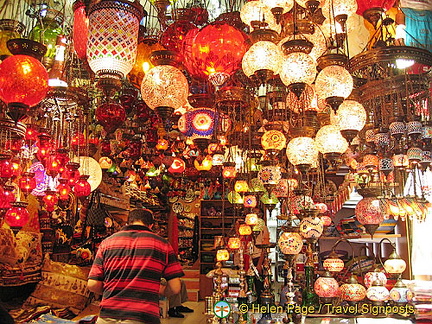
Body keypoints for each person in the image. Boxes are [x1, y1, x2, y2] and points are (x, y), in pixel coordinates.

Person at [87, 208, 184, 324]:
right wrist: (161, 291)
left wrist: (114, 289)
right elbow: (175, 287)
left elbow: (92, 284)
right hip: (143, 316)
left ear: (128, 223)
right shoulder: (162, 245)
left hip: (107, 315)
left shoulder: (107, 243)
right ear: (151, 225)